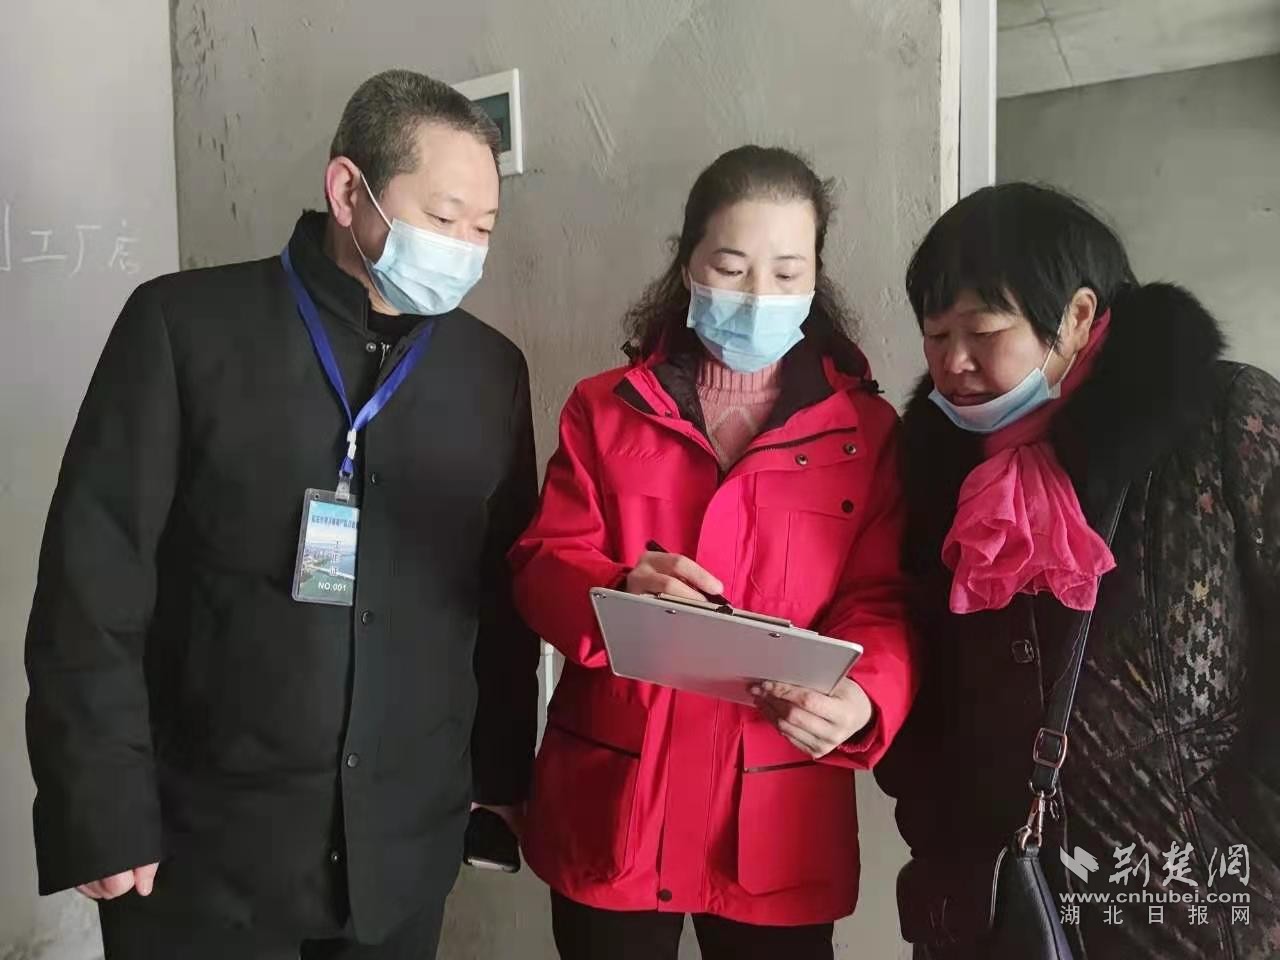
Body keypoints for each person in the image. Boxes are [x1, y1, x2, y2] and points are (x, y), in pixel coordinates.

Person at [24, 69, 540, 959]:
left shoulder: (490, 373)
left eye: (483, 229)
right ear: (348, 191)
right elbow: (92, 584)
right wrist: (97, 801)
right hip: (201, 854)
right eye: (443, 218)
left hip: (399, 860)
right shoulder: (184, 328)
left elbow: (499, 601)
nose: (464, 248)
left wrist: (499, 778)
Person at [509, 145, 918, 960]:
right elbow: (542, 561)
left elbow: (883, 601)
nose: (759, 295)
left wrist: (865, 697)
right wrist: (619, 588)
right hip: (618, 807)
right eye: (731, 268)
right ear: (688, 264)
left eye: (787, 272)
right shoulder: (603, 410)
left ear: (816, 279)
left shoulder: (866, 434)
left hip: (776, 817)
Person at [875, 182, 1280, 958]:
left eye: (982, 331)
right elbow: (918, 675)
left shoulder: (1223, 419)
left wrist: (1252, 832)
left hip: (1205, 916)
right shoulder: (932, 472)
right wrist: (936, 837)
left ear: (1078, 317)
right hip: (1002, 922)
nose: (953, 362)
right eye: (935, 335)